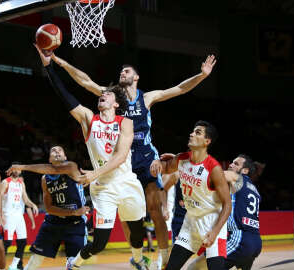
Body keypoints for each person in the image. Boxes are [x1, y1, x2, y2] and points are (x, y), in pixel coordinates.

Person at [51, 52, 216, 270]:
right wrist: (60, 62)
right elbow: (84, 81)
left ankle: (163, 258)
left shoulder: (146, 97)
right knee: (127, 217)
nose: (122, 73)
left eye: (127, 71)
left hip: (144, 156)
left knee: (155, 209)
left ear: (136, 77)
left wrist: (201, 76)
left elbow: (178, 89)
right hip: (121, 159)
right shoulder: (112, 96)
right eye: (121, 71)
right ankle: (136, 256)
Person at [36, 46, 149, 270]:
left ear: (116, 103)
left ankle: (137, 258)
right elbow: (64, 95)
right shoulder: (89, 119)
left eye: (107, 94)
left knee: (137, 232)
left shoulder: (125, 123)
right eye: (101, 94)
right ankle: (75, 263)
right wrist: (49, 66)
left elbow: (120, 156)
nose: (102, 95)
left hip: (126, 182)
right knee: (99, 243)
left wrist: (94, 174)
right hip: (103, 187)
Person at [150, 120, 231, 270]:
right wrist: (156, 161)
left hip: (212, 224)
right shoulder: (182, 159)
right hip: (191, 222)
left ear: (207, 141)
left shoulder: (214, 169)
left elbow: (227, 205)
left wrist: (214, 232)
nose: (191, 134)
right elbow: (165, 167)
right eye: (193, 131)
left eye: (197, 132)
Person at [5, 145, 90, 270]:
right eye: (53, 151)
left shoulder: (71, 167)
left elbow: (54, 170)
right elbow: (49, 208)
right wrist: (73, 211)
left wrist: (22, 167)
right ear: (50, 159)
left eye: (60, 150)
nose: (56, 151)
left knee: (74, 263)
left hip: (75, 223)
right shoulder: (45, 179)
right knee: (36, 258)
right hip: (54, 221)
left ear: (65, 157)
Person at [187, 154, 262, 270]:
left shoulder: (236, 178)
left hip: (240, 238)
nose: (231, 165)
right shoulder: (255, 190)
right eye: (232, 162)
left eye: (236, 164)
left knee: (194, 267)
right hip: (256, 241)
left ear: (245, 170)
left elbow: (215, 174)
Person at [0, 166, 39, 270]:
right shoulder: (6, 182)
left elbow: (25, 199)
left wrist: (33, 204)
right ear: (10, 170)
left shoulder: (21, 183)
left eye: (18, 169)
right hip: (8, 216)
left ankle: (14, 266)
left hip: (19, 216)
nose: (17, 171)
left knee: (23, 242)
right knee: (6, 243)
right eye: (14, 169)